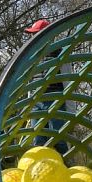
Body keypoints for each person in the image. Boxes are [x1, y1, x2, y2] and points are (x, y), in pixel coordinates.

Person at [25, 18, 70, 154]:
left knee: (58, 138)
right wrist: (29, 104)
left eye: (36, 34)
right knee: (38, 138)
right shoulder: (31, 56)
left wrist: (70, 108)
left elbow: (68, 79)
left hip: (56, 99)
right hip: (37, 101)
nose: (33, 37)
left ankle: (65, 164)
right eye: (32, 34)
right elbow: (30, 83)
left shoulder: (59, 52)